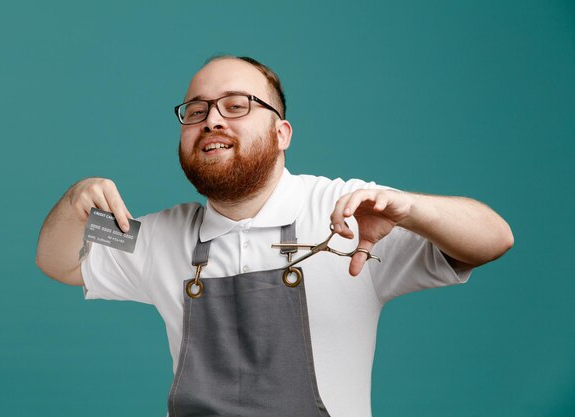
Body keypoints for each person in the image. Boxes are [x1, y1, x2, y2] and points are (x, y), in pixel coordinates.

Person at [36, 56, 513, 417]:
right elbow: (60, 261)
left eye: (236, 105)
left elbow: (494, 238)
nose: (212, 119)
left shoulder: (352, 211)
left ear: (282, 132)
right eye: (196, 110)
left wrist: (412, 208)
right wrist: (74, 202)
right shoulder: (159, 235)